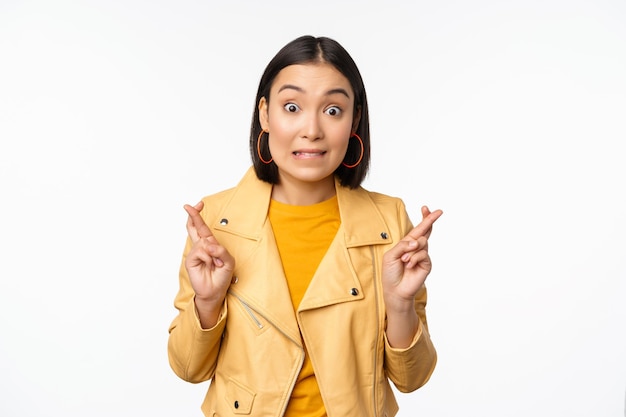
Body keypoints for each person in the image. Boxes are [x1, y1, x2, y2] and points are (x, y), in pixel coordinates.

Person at [168, 35, 443, 417]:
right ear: (265, 113)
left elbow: (413, 378)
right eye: (292, 107)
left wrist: (399, 305)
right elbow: (187, 368)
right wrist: (207, 302)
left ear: (354, 120)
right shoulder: (216, 221)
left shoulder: (389, 221)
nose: (312, 129)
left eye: (333, 110)